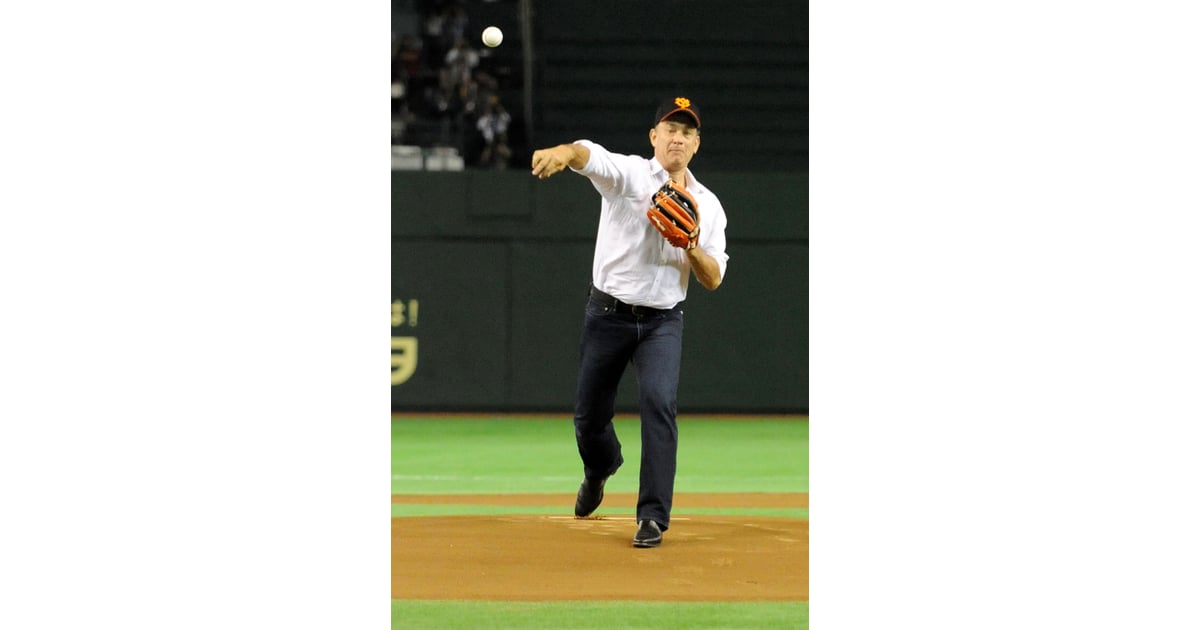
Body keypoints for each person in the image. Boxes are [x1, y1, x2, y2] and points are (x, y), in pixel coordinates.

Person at [529, 96, 729, 548]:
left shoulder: (708, 206)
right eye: (669, 128)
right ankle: (600, 469)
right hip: (607, 314)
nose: (677, 137)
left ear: (696, 145)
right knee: (589, 417)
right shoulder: (631, 176)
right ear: (653, 137)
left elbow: (713, 278)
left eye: (687, 132)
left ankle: (653, 517)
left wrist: (691, 244)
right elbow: (589, 155)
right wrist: (563, 153)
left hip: (662, 323)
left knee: (659, 403)